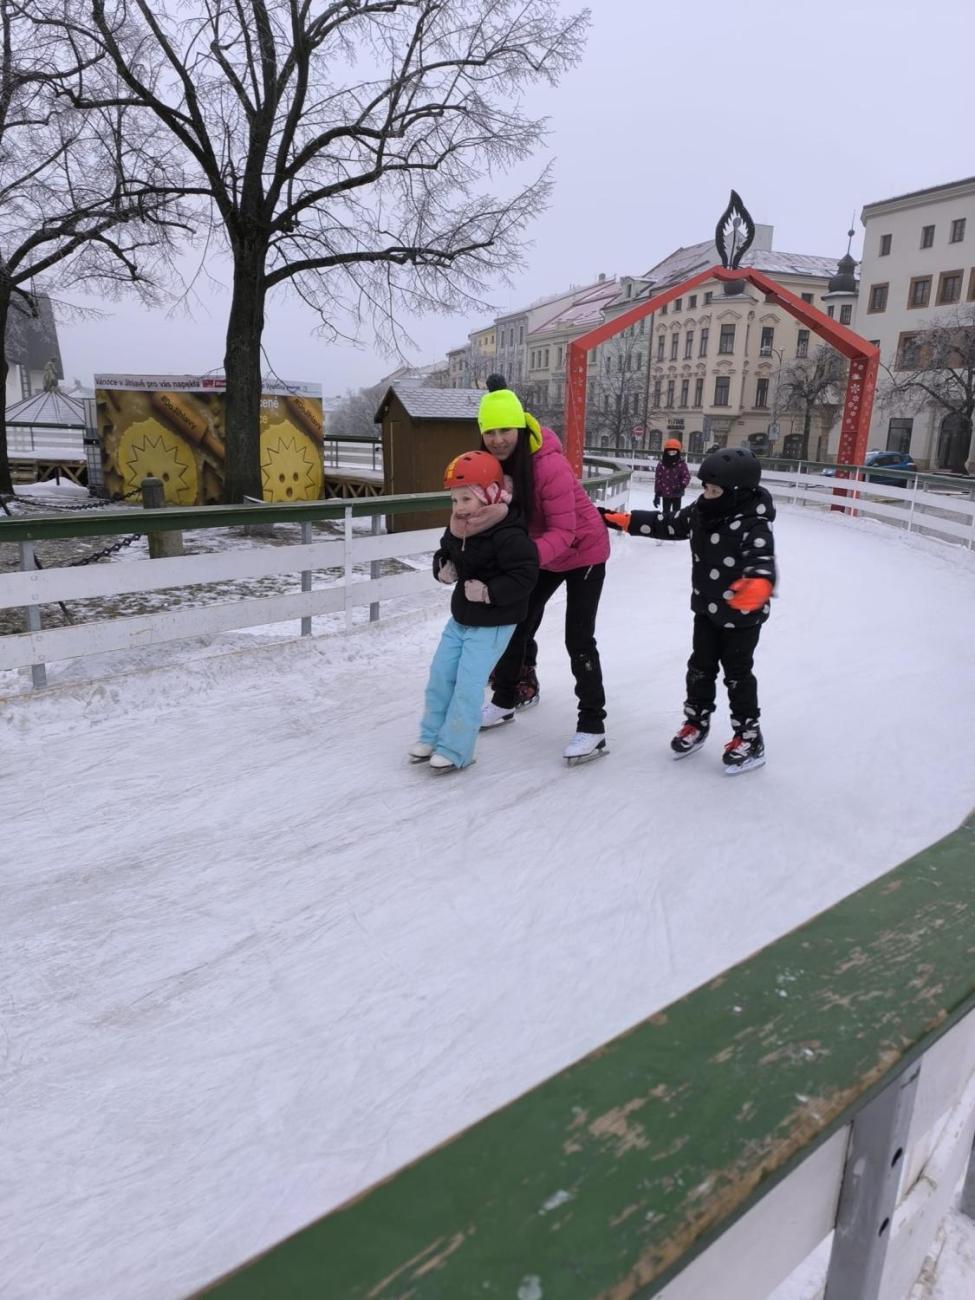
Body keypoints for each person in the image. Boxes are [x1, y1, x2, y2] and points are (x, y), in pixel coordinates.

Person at [601, 447, 776, 774]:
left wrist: (757, 585)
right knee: (700, 667)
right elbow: (669, 524)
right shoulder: (702, 511)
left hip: (742, 617)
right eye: (705, 489)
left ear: (737, 493)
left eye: (715, 490)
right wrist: (626, 521)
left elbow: (763, 563)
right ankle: (696, 722)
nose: (707, 496)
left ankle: (750, 737)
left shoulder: (754, 524)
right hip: (707, 609)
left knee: (737, 675)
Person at [476, 374, 611, 766]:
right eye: (490, 431)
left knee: (578, 638)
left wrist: (521, 558)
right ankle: (504, 700)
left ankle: (593, 726)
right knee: (517, 624)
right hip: (546, 553)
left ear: (519, 427)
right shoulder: (494, 464)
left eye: (505, 429)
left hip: (583, 551)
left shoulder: (548, 465)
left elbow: (564, 530)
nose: (498, 438)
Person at [408, 450, 538, 774]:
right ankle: (432, 736)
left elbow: (525, 576)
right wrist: (443, 568)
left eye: (466, 499)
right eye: (454, 500)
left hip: (494, 622)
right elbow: (444, 551)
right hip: (462, 617)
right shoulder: (458, 527)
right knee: (440, 675)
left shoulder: (509, 533)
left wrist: (489, 592)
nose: (459, 508)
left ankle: (457, 749)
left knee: (468, 684)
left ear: (489, 495)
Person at [654, 438, 691, 522]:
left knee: (676, 513)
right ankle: (664, 528)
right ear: (666, 452)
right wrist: (657, 493)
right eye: (669, 452)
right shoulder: (661, 464)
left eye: (674, 452)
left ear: (678, 452)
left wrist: (682, 485)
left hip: (677, 493)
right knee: (665, 513)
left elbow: (686, 476)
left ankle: (675, 528)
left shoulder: (681, 464)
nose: (671, 454)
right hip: (665, 493)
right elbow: (658, 478)